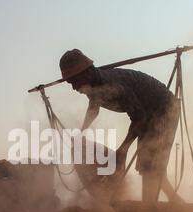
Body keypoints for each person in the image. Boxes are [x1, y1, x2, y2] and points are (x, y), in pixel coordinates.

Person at [59, 49, 184, 203]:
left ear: (86, 73)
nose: (73, 87)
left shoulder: (113, 86)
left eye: (74, 82)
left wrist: (123, 149)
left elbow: (139, 118)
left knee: (150, 166)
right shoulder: (92, 86)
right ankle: (173, 202)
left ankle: (148, 211)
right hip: (147, 114)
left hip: (164, 109)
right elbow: (94, 108)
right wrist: (81, 133)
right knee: (148, 166)